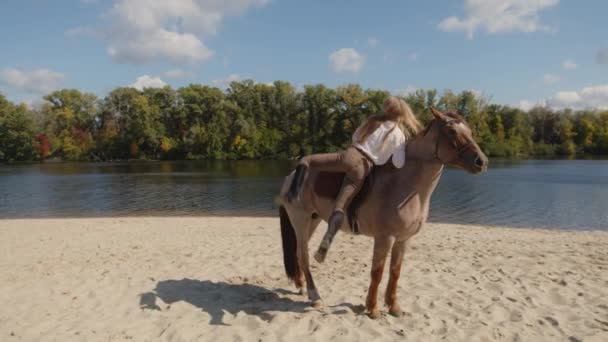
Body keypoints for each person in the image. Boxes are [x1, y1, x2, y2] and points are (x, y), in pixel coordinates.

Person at [287, 96, 423, 262]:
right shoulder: (399, 134)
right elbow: (398, 162)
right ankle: (326, 241)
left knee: (306, 160)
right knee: (339, 207)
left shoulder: (373, 121)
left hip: (349, 157)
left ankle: (293, 194)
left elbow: (355, 136)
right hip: (364, 169)